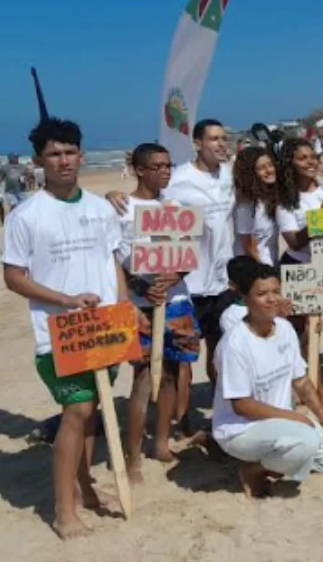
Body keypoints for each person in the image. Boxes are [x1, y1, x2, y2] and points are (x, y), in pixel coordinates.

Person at [0, 117, 130, 538]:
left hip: (106, 328)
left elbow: (114, 261)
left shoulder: (99, 208)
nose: (62, 160)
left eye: (69, 152)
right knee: (75, 412)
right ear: (39, 161)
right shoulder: (26, 215)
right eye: (53, 154)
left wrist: (126, 308)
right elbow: (14, 276)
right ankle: (64, 509)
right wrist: (66, 300)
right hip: (58, 333)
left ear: (81, 156)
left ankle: (86, 489)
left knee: (93, 414)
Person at [211, 260, 323, 498]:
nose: (272, 299)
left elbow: (302, 382)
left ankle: (280, 461)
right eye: (262, 294)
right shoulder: (235, 344)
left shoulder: (285, 329)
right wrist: (295, 418)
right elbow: (242, 405)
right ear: (245, 298)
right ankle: (253, 469)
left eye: (276, 292)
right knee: (304, 441)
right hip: (241, 429)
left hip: (281, 422)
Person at [112, 119, 237, 385]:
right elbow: (143, 197)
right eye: (214, 139)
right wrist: (112, 195)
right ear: (197, 143)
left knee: (221, 351)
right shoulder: (177, 179)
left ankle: (219, 408)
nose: (221, 144)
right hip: (188, 284)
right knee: (182, 363)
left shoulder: (230, 174)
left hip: (222, 281)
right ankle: (183, 419)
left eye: (224, 138)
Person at [119, 142, 198, 480]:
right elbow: (114, 260)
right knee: (141, 378)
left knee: (169, 374)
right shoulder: (122, 209)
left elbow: (188, 255)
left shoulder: (176, 206)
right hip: (140, 307)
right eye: (158, 166)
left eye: (169, 165)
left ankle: (162, 442)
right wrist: (140, 287)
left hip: (176, 301)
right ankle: (133, 454)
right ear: (140, 169)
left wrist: (174, 277)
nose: (166, 171)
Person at [274, 137, 323, 402]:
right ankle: (316, 387)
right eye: (301, 158)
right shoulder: (286, 201)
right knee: (305, 333)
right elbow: (294, 241)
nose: (310, 162)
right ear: (289, 164)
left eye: (312, 157)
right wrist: (321, 219)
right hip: (299, 267)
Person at [232, 147, 280, 265]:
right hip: (258, 269)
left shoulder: (270, 197)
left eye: (270, 165)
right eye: (261, 168)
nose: (269, 170)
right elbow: (248, 248)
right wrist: (264, 273)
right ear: (250, 173)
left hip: (272, 262)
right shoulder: (246, 206)